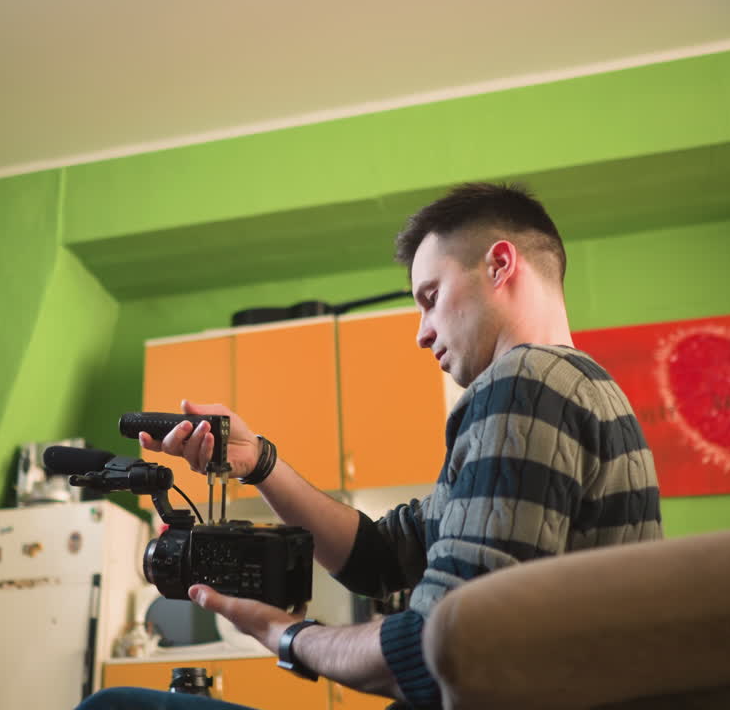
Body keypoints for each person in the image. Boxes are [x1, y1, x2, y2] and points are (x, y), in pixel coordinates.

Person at [77, 182, 662, 710]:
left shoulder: (523, 386)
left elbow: (442, 654)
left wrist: (283, 635)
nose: (421, 331)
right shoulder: (584, 393)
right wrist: (260, 463)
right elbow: (383, 557)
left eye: (430, 296)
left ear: (500, 264)